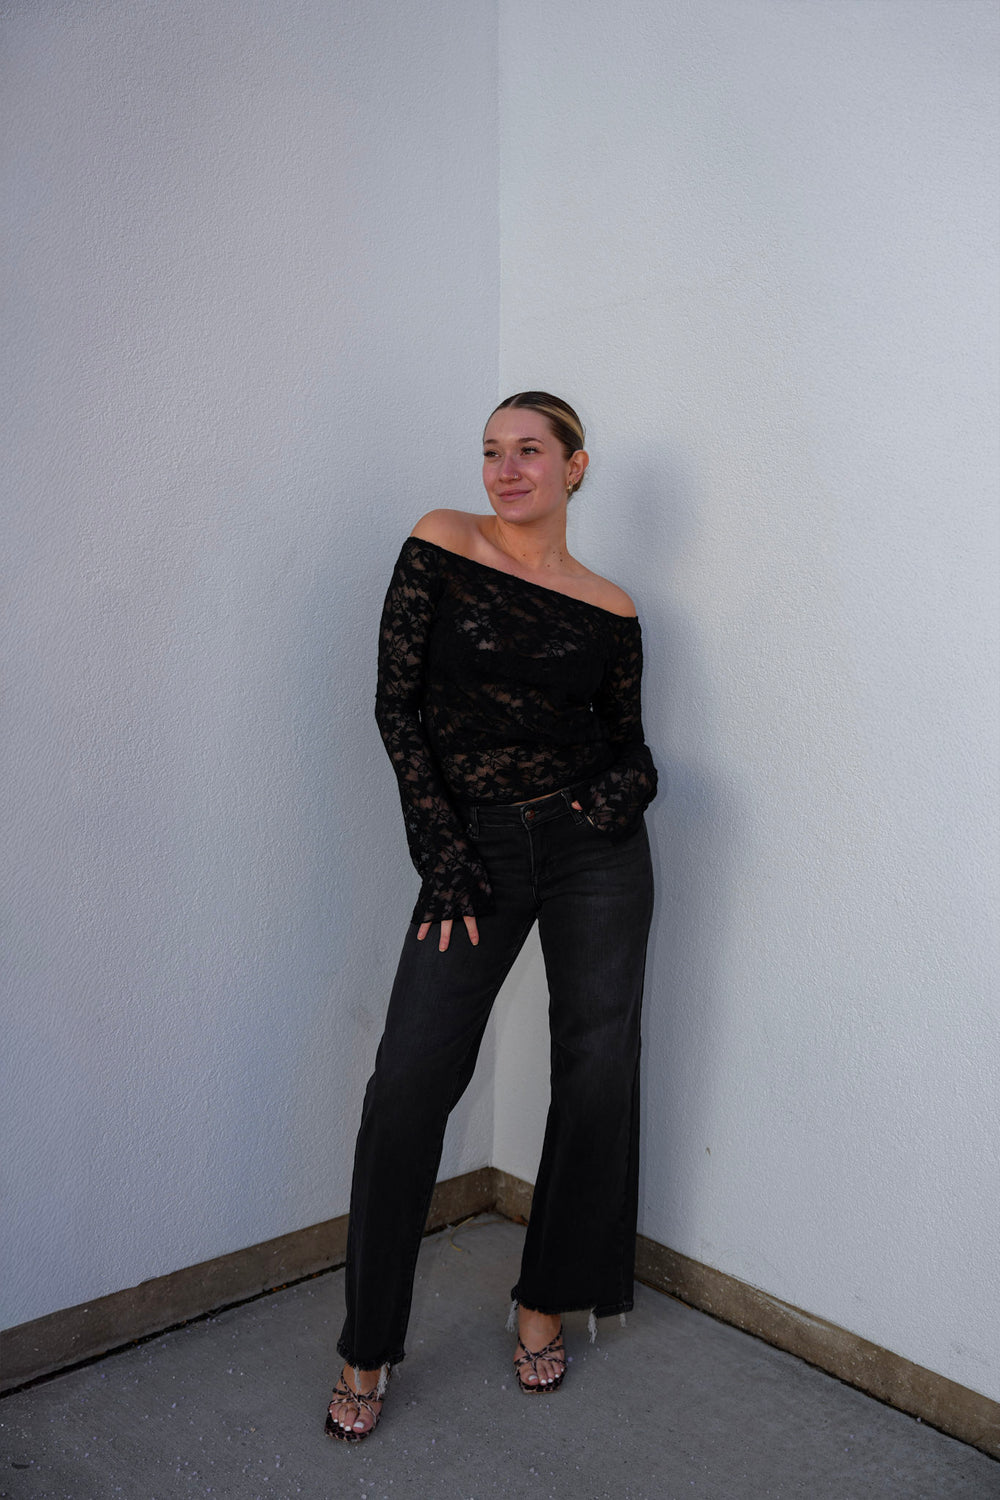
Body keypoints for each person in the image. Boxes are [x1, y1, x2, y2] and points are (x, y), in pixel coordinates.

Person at [326, 392, 658, 1441]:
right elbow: (397, 704)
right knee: (407, 1084)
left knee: (598, 1068)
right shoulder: (442, 542)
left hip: (594, 849)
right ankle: (367, 1344)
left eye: (529, 451)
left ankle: (544, 1298)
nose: (505, 470)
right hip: (472, 846)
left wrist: (614, 797)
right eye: (490, 452)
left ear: (575, 467)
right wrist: (444, 853)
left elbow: (627, 743)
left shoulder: (610, 607)